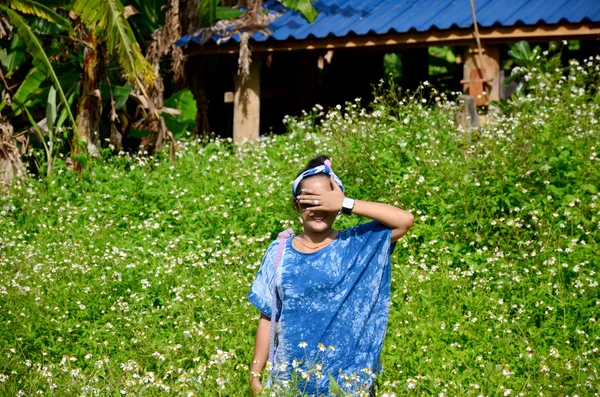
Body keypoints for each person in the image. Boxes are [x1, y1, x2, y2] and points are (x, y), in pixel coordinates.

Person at [248, 155, 414, 396]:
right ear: (296, 206)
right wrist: (255, 375)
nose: (318, 210)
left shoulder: (357, 244)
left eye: (325, 202)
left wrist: (346, 202)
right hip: (290, 382)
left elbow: (404, 221)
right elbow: (268, 316)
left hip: (348, 383)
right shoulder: (280, 251)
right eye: (309, 202)